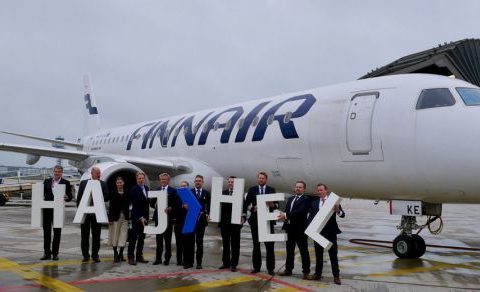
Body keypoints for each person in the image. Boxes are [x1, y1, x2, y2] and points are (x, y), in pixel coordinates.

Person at [307, 183, 345, 285]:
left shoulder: (333, 202)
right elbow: (310, 217)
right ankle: (317, 274)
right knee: (318, 255)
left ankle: (336, 276)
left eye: (321, 190)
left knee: (333, 255)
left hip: (331, 233)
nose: (319, 192)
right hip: (318, 233)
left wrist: (338, 210)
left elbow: (343, 215)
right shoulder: (314, 203)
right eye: (318, 190)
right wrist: (310, 227)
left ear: (326, 190)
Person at [244, 172, 277, 275]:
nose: (261, 180)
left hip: (268, 221)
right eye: (260, 178)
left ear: (266, 180)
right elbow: (246, 203)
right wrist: (251, 208)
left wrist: (272, 205)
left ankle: (270, 268)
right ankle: (256, 267)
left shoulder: (271, 190)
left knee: (269, 246)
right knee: (256, 245)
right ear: (258, 179)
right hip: (255, 221)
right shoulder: (252, 190)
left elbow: (277, 204)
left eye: (263, 178)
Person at [277, 181, 311, 280]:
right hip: (290, 228)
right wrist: (284, 217)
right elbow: (288, 211)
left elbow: (300, 212)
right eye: (296, 187)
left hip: (300, 230)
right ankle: (288, 269)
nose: (297, 189)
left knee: (304, 251)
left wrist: (286, 215)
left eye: (300, 187)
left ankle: (306, 272)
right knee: (289, 251)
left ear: (304, 189)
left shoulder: (306, 199)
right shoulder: (291, 198)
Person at [76, 167, 109, 263]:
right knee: (84, 236)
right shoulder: (83, 183)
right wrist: (80, 210)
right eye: (97, 173)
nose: (99, 175)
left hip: (96, 213)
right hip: (85, 213)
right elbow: (79, 198)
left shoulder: (103, 184)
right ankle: (85, 255)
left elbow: (107, 197)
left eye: (99, 173)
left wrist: (98, 195)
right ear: (92, 173)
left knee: (96, 235)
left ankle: (95, 255)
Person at [41, 165, 72, 261]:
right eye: (55, 171)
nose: (57, 173)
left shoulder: (66, 183)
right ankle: (47, 253)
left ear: (62, 173)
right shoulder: (46, 182)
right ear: (53, 172)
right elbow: (41, 194)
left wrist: (67, 197)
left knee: (57, 233)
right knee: (46, 232)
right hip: (47, 210)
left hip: (58, 211)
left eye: (59, 171)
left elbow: (70, 196)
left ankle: (55, 253)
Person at [152, 173, 181, 266]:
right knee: (158, 240)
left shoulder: (173, 191)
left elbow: (177, 204)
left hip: (168, 219)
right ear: (160, 180)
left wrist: (171, 208)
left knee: (168, 240)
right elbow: (151, 203)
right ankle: (158, 259)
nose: (163, 181)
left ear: (168, 180)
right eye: (162, 180)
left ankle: (167, 259)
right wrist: (155, 206)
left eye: (165, 179)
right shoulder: (157, 190)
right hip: (158, 219)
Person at [183, 175, 211, 269]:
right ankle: (189, 262)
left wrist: (207, 214)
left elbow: (209, 206)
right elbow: (184, 204)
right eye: (196, 181)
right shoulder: (189, 192)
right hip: (191, 220)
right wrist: (184, 206)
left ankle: (199, 262)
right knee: (189, 242)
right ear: (194, 182)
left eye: (199, 181)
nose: (198, 182)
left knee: (199, 243)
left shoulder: (206, 193)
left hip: (201, 221)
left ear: (202, 182)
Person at [219, 176, 245, 272]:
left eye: (232, 182)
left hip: (235, 224)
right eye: (229, 182)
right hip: (225, 224)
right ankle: (225, 263)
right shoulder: (224, 193)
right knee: (225, 244)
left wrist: (244, 217)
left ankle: (234, 264)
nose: (230, 183)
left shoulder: (240, 194)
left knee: (235, 245)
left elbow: (244, 208)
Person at [127, 172, 150, 265]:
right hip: (136, 218)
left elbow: (147, 203)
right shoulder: (133, 190)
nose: (141, 180)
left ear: (144, 179)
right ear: (136, 180)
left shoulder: (147, 189)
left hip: (145, 218)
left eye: (142, 178)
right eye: (139, 178)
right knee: (133, 238)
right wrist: (140, 217)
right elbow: (134, 206)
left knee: (142, 238)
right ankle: (130, 257)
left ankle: (139, 256)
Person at [107, 176, 129, 263]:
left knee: (123, 235)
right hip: (115, 217)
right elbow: (111, 207)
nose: (119, 184)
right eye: (118, 183)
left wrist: (128, 216)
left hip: (125, 217)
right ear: (116, 184)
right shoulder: (113, 193)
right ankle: (115, 254)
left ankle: (121, 253)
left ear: (123, 183)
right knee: (115, 235)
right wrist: (110, 218)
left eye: (121, 182)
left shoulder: (127, 192)